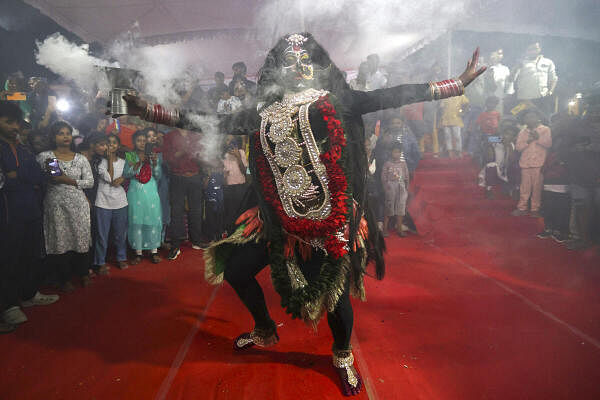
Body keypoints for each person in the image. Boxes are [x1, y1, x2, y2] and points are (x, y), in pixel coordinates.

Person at [119, 33, 485, 396]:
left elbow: (393, 95)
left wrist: (457, 84)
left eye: (304, 60)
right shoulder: (261, 113)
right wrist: (150, 111)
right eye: (287, 61)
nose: (296, 67)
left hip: (327, 221)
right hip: (275, 220)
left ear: (318, 67)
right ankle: (265, 329)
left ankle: (342, 355)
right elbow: (209, 120)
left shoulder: (339, 101)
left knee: (334, 297)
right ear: (275, 71)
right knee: (236, 270)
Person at [0, 101, 58, 332]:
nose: (15, 126)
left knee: (29, 255)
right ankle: (9, 305)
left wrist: (17, 175)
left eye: (17, 122)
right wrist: (17, 177)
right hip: (7, 215)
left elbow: (39, 176)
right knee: (9, 260)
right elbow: (5, 181)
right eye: (8, 121)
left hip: (30, 210)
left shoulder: (23, 148)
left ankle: (28, 294)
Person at [37, 121, 94, 292]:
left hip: (79, 205)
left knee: (81, 239)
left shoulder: (81, 158)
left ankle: (83, 273)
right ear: (53, 137)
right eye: (60, 133)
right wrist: (76, 182)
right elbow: (55, 178)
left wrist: (68, 180)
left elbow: (90, 182)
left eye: (67, 133)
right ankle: (65, 278)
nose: (65, 136)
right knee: (60, 241)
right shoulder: (46, 156)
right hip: (56, 205)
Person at [161, 128, 205, 259]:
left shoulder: (195, 135)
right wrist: (182, 151)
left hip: (195, 176)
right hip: (178, 177)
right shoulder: (170, 136)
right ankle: (175, 246)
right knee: (176, 212)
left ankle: (196, 241)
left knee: (196, 211)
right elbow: (167, 158)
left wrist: (201, 157)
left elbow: (202, 156)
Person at [123, 130, 163, 264]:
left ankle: (154, 252)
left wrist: (155, 163)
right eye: (138, 140)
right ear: (134, 142)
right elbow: (127, 174)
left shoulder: (153, 155)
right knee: (136, 223)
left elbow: (158, 176)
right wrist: (138, 162)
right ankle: (138, 253)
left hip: (151, 192)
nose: (141, 143)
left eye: (144, 140)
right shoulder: (131, 155)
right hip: (136, 193)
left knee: (152, 222)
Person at [94, 134, 129, 271]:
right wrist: (109, 159)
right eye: (108, 142)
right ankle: (100, 261)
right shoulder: (100, 162)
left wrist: (125, 177)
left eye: (114, 143)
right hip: (103, 202)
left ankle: (121, 257)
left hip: (120, 202)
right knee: (102, 235)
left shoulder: (124, 161)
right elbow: (111, 178)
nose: (111, 145)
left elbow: (134, 168)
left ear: (118, 146)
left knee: (120, 234)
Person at [512, 109, 552, 217]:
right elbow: (518, 147)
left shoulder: (545, 130)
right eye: (527, 117)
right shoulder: (522, 132)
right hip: (525, 163)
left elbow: (548, 144)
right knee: (524, 187)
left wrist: (538, 138)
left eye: (532, 116)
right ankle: (522, 208)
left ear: (538, 117)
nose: (529, 119)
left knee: (537, 187)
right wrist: (528, 141)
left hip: (539, 163)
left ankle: (535, 209)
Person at [511, 42, 558, 116]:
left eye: (535, 48)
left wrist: (551, 91)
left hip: (542, 98)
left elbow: (553, 78)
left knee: (544, 121)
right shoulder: (521, 63)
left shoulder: (548, 62)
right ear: (526, 50)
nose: (533, 51)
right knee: (521, 122)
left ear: (540, 49)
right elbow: (511, 79)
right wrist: (516, 67)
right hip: (524, 99)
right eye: (530, 49)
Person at [475, 96, 503, 198]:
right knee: (488, 160)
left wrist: (498, 136)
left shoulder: (498, 114)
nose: (491, 105)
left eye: (493, 103)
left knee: (497, 159)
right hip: (485, 137)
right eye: (489, 103)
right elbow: (477, 126)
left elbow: (500, 125)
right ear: (486, 104)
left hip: (495, 137)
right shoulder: (482, 115)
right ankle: (487, 184)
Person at [382, 144, 409, 237]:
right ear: (391, 152)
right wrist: (386, 188)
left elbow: (407, 177)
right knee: (389, 207)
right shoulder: (387, 164)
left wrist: (406, 187)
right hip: (391, 187)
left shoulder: (403, 164)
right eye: (394, 152)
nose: (396, 154)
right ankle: (384, 229)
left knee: (401, 208)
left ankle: (399, 229)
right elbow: (383, 177)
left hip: (401, 187)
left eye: (398, 152)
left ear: (400, 153)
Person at [222, 136, 248, 233]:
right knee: (230, 210)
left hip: (241, 186)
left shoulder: (241, 152)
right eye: (228, 139)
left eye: (232, 140)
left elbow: (246, 172)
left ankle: (240, 232)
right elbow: (223, 178)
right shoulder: (223, 155)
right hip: (229, 187)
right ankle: (230, 231)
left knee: (241, 210)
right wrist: (224, 176)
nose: (230, 142)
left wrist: (238, 156)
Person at [440, 94, 469, 158]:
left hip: (456, 119)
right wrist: (441, 117)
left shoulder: (461, 95)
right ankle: (450, 152)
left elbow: (466, 104)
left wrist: (462, 112)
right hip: (446, 119)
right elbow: (441, 107)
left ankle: (458, 151)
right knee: (447, 136)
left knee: (457, 136)